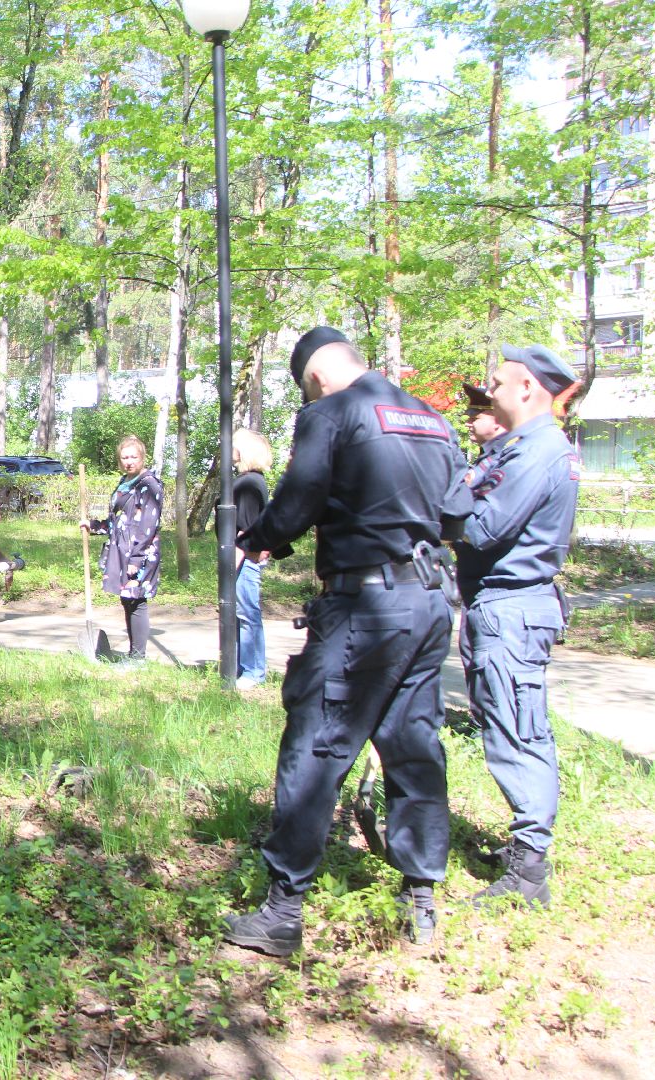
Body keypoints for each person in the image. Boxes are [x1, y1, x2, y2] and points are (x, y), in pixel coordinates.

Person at [223, 327, 473, 957]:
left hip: (366, 606)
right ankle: (421, 899)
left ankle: (283, 911)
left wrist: (260, 537)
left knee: (316, 745)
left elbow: (299, 497)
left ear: (313, 377)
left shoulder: (330, 413)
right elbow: (457, 517)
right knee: (414, 743)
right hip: (429, 602)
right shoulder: (430, 418)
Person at [455, 345, 581, 908]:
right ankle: (524, 851)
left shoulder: (539, 451)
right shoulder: (519, 448)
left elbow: (482, 528)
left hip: (512, 607)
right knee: (506, 725)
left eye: (500, 382)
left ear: (528, 387)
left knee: (518, 734)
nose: (494, 390)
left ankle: (529, 872)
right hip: (497, 607)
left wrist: (443, 492)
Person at [80, 434, 163, 662]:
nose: (129, 461)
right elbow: (118, 520)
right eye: (125, 457)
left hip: (140, 552)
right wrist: (94, 525)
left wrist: (136, 560)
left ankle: (138, 658)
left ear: (142, 457)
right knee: (127, 600)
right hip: (121, 549)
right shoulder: (125, 481)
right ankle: (133, 654)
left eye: (133, 457)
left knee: (136, 600)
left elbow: (148, 524)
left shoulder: (149, 484)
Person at [232, 427, 274, 690]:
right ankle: (241, 667)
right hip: (244, 558)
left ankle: (253, 671)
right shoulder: (252, 481)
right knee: (241, 614)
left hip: (244, 560)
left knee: (247, 615)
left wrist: (229, 569)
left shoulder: (248, 483)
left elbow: (244, 533)